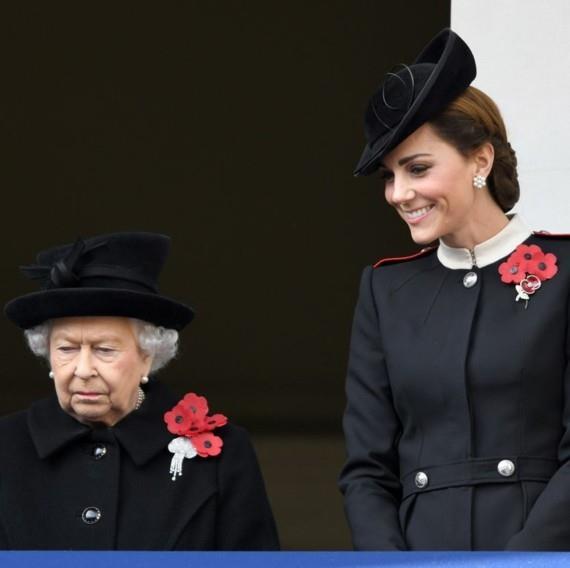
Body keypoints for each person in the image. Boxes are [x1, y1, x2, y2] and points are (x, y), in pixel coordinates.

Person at [339, 28, 570, 550]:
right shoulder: (385, 290)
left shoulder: (565, 273)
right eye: (389, 175)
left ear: (480, 162)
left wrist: (521, 566)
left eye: (418, 168)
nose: (399, 193)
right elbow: (366, 472)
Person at [0, 232, 279, 550]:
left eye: (104, 349)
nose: (83, 369)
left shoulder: (221, 455)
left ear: (148, 356)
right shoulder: (6, 445)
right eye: (67, 349)